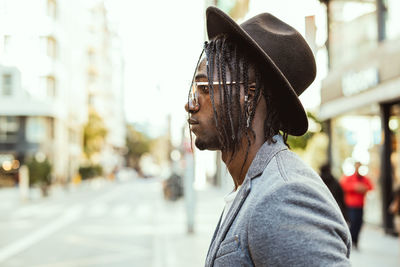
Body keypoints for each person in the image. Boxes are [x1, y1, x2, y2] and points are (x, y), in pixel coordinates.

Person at [184, 7, 351, 266]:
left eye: (205, 88)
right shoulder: (252, 184)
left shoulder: (284, 196)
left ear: (249, 96)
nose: (191, 104)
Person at [340, 161, 373, 249]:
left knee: (359, 223)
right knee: (353, 222)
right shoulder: (349, 178)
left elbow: (370, 187)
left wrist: (363, 188)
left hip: (361, 205)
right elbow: (343, 185)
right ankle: (349, 240)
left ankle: (355, 241)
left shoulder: (364, 178)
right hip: (351, 205)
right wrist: (355, 187)